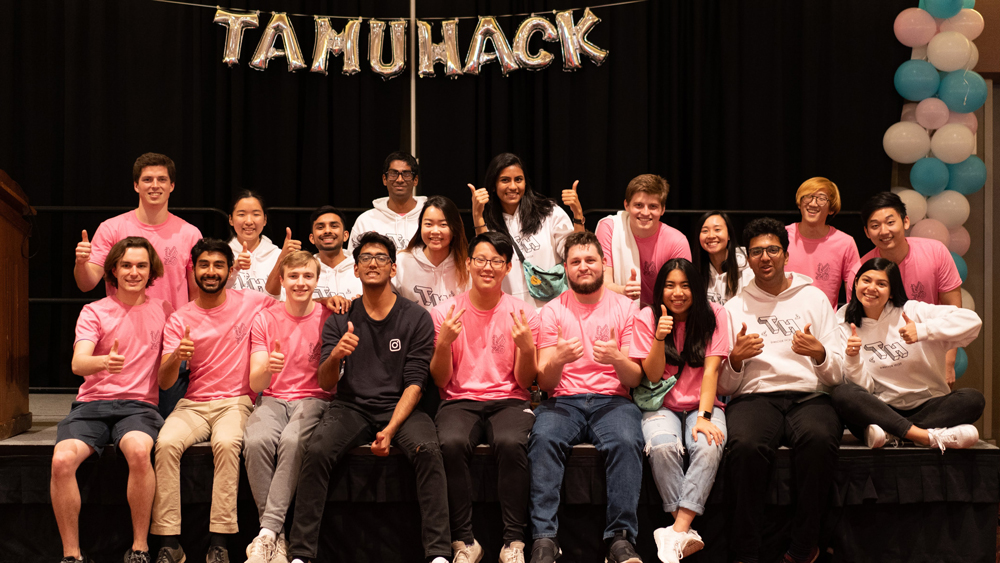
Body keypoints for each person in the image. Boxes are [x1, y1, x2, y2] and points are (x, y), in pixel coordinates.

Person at [287, 232, 451, 563]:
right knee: (316, 450)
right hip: (351, 406)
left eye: (380, 258)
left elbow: (416, 383)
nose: (372, 263)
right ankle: (301, 554)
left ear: (393, 269)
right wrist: (335, 357)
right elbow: (326, 381)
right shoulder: (341, 317)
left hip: (401, 407)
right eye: (365, 258)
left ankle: (438, 554)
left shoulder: (416, 317)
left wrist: (390, 429)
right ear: (356, 270)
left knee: (428, 450)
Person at [719, 218, 844, 563]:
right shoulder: (733, 307)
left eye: (772, 249)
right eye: (756, 251)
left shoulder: (814, 299)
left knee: (819, 440)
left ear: (786, 255)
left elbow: (836, 374)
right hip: (755, 396)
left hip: (810, 395)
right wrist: (736, 359)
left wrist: (819, 354)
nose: (765, 257)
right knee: (744, 446)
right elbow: (726, 386)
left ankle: (805, 547)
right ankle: (745, 551)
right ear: (747, 258)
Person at [152, 238, 279, 563]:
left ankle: (219, 544)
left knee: (227, 443)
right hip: (193, 403)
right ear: (193, 270)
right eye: (204, 265)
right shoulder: (181, 318)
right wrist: (175, 358)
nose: (211, 272)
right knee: (165, 444)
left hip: (236, 401)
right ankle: (170, 543)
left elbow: (288, 298)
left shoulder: (250, 301)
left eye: (218, 265)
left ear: (230, 269)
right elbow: (165, 383)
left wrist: (331, 301)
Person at [53, 237, 174, 563]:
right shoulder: (94, 310)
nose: (134, 272)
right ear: (114, 270)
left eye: (141, 266)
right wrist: (105, 362)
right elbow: (79, 364)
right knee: (61, 461)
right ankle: (72, 555)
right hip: (92, 405)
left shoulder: (164, 309)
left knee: (138, 451)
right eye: (127, 265)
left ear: (151, 271)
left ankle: (139, 547)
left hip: (139, 407)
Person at [528, 231, 644, 563]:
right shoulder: (551, 311)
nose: (583, 267)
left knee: (626, 440)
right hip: (564, 400)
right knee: (543, 438)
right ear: (565, 267)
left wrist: (618, 359)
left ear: (603, 264)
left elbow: (634, 377)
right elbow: (545, 381)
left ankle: (620, 539)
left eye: (590, 260)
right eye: (576, 262)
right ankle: (545, 538)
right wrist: (558, 360)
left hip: (613, 400)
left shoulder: (625, 308)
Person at [430, 232, 539, 563]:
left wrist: (526, 347)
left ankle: (514, 542)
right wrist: (444, 342)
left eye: (496, 261)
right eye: (481, 259)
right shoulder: (445, 312)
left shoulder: (523, 313)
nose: (487, 267)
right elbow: (440, 379)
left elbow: (524, 381)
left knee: (510, 442)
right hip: (458, 400)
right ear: (468, 263)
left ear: (507, 268)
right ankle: (464, 541)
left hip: (509, 400)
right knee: (449, 442)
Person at [628, 259, 729, 563]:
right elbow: (654, 375)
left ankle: (674, 530)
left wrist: (704, 417)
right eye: (670, 285)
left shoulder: (716, 315)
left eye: (685, 285)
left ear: (696, 288)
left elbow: (711, 372)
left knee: (709, 446)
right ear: (660, 289)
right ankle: (682, 531)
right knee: (661, 447)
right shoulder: (647, 316)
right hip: (662, 405)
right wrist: (659, 337)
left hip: (703, 404)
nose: (678, 292)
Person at [831, 258, 983, 451]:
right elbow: (863, 389)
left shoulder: (912, 311)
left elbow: (972, 321)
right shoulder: (843, 322)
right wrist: (852, 358)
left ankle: (892, 433)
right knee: (843, 394)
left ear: (893, 291)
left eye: (881, 284)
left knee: (973, 399)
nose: (871, 288)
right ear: (856, 283)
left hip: (927, 404)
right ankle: (925, 436)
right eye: (866, 280)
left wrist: (922, 330)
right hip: (881, 407)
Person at [242, 251, 333, 563]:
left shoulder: (327, 316)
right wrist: (270, 367)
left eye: (308, 276)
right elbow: (256, 384)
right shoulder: (265, 319)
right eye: (293, 276)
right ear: (281, 280)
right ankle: (278, 538)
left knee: (293, 441)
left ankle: (266, 533)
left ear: (317, 281)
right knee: (255, 441)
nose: (300, 282)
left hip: (314, 398)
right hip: (272, 398)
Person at [73, 152, 201, 309]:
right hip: (122, 328)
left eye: (162, 179)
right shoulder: (111, 228)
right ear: (136, 186)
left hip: (173, 329)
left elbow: (196, 294)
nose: (155, 185)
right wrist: (81, 263)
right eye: (147, 180)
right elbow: (86, 284)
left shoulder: (190, 234)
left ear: (171, 186)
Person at [859, 191, 963, 383]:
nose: (883, 231)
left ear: (905, 222)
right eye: (875, 226)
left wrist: (948, 363)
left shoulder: (935, 251)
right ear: (866, 232)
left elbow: (953, 311)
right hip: (885, 356)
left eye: (890, 222)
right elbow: (863, 324)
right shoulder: (863, 269)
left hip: (930, 351)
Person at [469, 152, 584, 310]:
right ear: (493, 186)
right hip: (509, 313)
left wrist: (577, 215)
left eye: (518, 179)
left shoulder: (549, 212)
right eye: (505, 180)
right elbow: (486, 260)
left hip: (553, 310)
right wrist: (477, 216)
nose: (513, 186)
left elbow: (575, 253)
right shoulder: (489, 222)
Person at [596, 174, 691, 307]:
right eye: (639, 205)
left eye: (653, 206)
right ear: (626, 205)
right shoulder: (610, 228)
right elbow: (602, 284)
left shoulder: (677, 241)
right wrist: (623, 290)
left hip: (662, 316)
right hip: (617, 313)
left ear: (663, 209)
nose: (645, 212)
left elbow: (681, 292)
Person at [784, 177, 861, 309]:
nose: (813, 204)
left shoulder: (845, 242)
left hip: (824, 323)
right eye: (808, 196)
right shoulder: (782, 236)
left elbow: (854, 290)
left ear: (831, 209)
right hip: (782, 318)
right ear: (799, 203)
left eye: (821, 198)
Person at [265, 206, 362, 302]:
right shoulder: (302, 267)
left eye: (334, 226)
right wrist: (282, 258)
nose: (327, 231)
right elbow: (271, 297)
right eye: (320, 227)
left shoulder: (361, 265)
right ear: (312, 238)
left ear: (345, 236)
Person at [396, 196, 471, 311]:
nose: (435, 231)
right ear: (420, 226)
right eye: (428, 224)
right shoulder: (402, 261)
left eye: (443, 225)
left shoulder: (466, 265)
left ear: (454, 228)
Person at [347, 151, 426, 251]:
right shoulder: (366, 221)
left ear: (415, 180)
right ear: (384, 179)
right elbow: (353, 261)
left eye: (406, 174)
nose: (400, 179)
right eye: (393, 174)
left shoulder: (429, 218)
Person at [693, 211, 753, 305]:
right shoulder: (697, 270)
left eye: (717, 229)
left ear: (729, 235)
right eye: (705, 231)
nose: (711, 236)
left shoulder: (749, 268)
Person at [227, 190, 281, 295]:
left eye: (256, 214)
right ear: (231, 219)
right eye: (241, 214)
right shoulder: (221, 254)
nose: (249, 221)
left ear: (265, 219)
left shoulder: (278, 255)